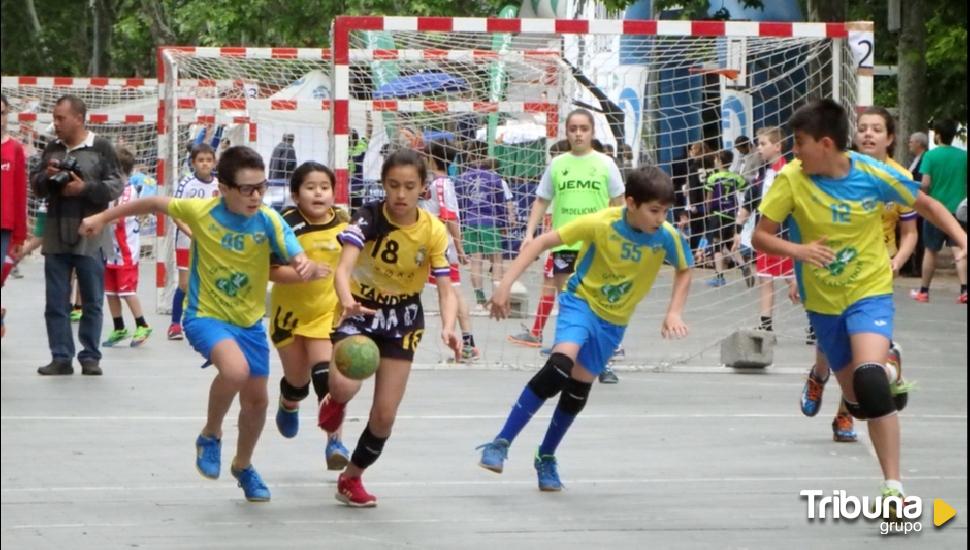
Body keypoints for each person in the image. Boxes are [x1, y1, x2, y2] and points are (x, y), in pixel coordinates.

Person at [752, 99, 966, 511]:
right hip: (823, 301)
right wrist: (798, 249)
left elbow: (930, 207)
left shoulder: (873, 173)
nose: (794, 151)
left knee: (870, 382)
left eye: (799, 143)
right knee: (856, 402)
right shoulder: (791, 179)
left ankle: (893, 486)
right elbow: (762, 236)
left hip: (868, 291)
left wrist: (964, 241)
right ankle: (884, 367)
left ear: (826, 143)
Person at [79, 145, 314, 502]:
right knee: (234, 372)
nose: (256, 196)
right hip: (205, 315)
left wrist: (304, 263)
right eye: (248, 189)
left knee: (257, 403)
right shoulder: (201, 211)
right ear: (224, 188)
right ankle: (210, 433)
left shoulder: (268, 219)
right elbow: (154, 204)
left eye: (261, 187)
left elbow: (294, 248)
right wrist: (101, 217)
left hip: (249, 322)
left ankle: (243, 465)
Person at [477, 166, 692, 490]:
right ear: (631, 203)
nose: (660, 218)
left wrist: (674, 312)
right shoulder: (601, 222)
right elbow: (540, 243)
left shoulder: (666, 236)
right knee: (559, 366)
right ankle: (501, 441)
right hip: (581, 302)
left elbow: (684, 270)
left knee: (577, 391)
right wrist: (505, 284)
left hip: (614, 321)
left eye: (665, 211)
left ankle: (546, 456)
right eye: (654, 210)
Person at [317, 149, 460, 507]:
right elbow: (343, 270)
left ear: (422, 188)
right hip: (360, 309)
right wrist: (347, 300)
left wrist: (448, 327)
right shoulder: (367, 219)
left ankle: (351, 477)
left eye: (409, 186)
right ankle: (335, 397)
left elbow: (447, 289)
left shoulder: (433, 231)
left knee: (384, 415)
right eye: (393, 185)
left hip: (403, 319)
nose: (400, 194)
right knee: (346, 383)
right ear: (383, 185)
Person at [799, 106, 919, 443]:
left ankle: (845, 414)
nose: (868, 134)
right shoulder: (833, 169)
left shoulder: (895, 177)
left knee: (863, 358)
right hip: (830, 268)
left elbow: (910, 231)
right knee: (829, 341)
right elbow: (804, 226)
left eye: (877, 129)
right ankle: (818, 375)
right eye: (863, 128)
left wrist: (899, 260)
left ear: (890, 137)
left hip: (875, 270)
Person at [508, 109, 625, 383]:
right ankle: (564, 361)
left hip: (596, 246)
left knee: (599, 304)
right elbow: (541, 200)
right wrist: (529, 234)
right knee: (570, 304)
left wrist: (621, 236)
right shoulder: (558, 164)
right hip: (565, 245)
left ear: (592, 131)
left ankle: (602, 363)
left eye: (583, 128)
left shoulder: (606, 164)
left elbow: (618, 202)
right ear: (567, 132)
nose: (578, 133)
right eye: (573, 128)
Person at [30, 94, 124, 376]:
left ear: (79, 119)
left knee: (92, 300)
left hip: (90, 236)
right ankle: (61, 356)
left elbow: (116, 186)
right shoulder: (52, 148)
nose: (56, 124)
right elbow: (35, 185)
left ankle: (90, 356)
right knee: (55, 301)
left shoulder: (102, 148)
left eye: (61, 118)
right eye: (54, 118)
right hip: (56, 234)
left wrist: (85, 189)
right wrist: (47, 177)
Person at [269, 162, 352, 469]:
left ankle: (335, 443)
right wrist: (305, 274)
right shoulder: (284, 224)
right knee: (297, 383)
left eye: (325, 187)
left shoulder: (346, 223)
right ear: (295, 194)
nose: (318, 193)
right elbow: (270, 270)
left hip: (326, 315)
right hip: (288, 316)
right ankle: (288, 402)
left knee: (326, 380)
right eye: (310, 187)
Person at [420, 140, 479, 362]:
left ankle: (465, 344)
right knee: (448, 292)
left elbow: (449, 217)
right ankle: (464, 343)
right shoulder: (434, 184)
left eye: (425, 155)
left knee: (452, 292)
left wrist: (459, 247)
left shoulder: (442, 185)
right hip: (433, 245)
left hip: (442, 246)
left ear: (432, 158)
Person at [737, 126, 797, 331]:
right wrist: (736, 230)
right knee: (765, 279)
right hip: (764, 235)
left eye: (763, 144)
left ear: (778, 146)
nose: (759, 148)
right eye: (758, 144)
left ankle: (815, 324)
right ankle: (765, 325)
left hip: (784, 236)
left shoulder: (789, 172)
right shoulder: (761, 175)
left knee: (793, 280)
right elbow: (750, 202)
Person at [454, 141, 516, 315]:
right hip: (490, 222)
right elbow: (500, 204)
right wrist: (504, 224)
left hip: (470, 222)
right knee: (496, 260)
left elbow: (460, 205)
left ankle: (480, 301)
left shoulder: (461, 179)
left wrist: (462, 226)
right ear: (485, 155)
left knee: (476, 261)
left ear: (470, 155)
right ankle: (497, 297)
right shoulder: (494, 178)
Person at [911, 119, 968, 304]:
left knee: (931, 250)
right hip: (958, 210)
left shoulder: (931, 156)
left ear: (937, 134)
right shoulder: (963, 156)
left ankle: (924, 291)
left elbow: (925, 183)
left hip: (935, 210)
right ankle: (965, 290)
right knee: (959, 249)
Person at [100, 147, 152, 348]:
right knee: (110, 292)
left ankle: (142, 324)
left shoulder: (128, 192)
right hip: (110, 248)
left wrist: (95, 219)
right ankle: (119, 327)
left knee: (127, 291)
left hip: (126, 250)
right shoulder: (110, 189)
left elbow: (116, 218)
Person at [168, 143, 218, 340]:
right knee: (185, 283)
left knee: (210, 282)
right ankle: (174, 325)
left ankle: (206, 322)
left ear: (214, 162)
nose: (205, 164)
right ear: (193, 163)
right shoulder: (187, 184)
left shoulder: (218, 185)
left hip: (211, 242)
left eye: (208, 160)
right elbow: (175, 213)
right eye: (201, 160)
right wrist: (191, 233)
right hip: (186, 241)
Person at [1, 93, 28, 338]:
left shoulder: (15, 148)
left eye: (2, 113)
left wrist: (21, 235)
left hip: (4, 226)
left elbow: (20, 192)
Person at [703, 149, 749, 287]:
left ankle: (719, 277)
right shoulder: (735, 177)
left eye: (716, 159)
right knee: (730, 243)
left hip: (717, 214)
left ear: (720, 161)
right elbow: (744, 186)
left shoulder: (713, 177)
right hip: (731, 214)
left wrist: (707, 212)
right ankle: (743, 266)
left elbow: (708, 199)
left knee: (716, 245)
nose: (715, 162)